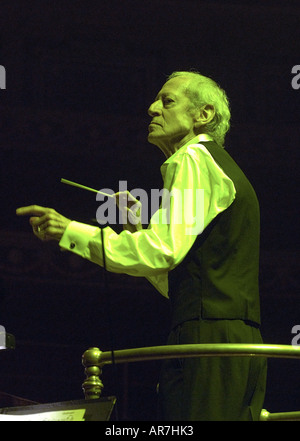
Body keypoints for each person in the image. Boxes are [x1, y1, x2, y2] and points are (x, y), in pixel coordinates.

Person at [16, 70, 267, 421]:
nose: (152, 109)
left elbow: (163, 250)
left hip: (206, 343)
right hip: (237, 345)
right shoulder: (214, 164)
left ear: (203, 115)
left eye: (167, 101)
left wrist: (69, 230)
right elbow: (180, 282)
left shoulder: (192, 159)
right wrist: (136, 228)